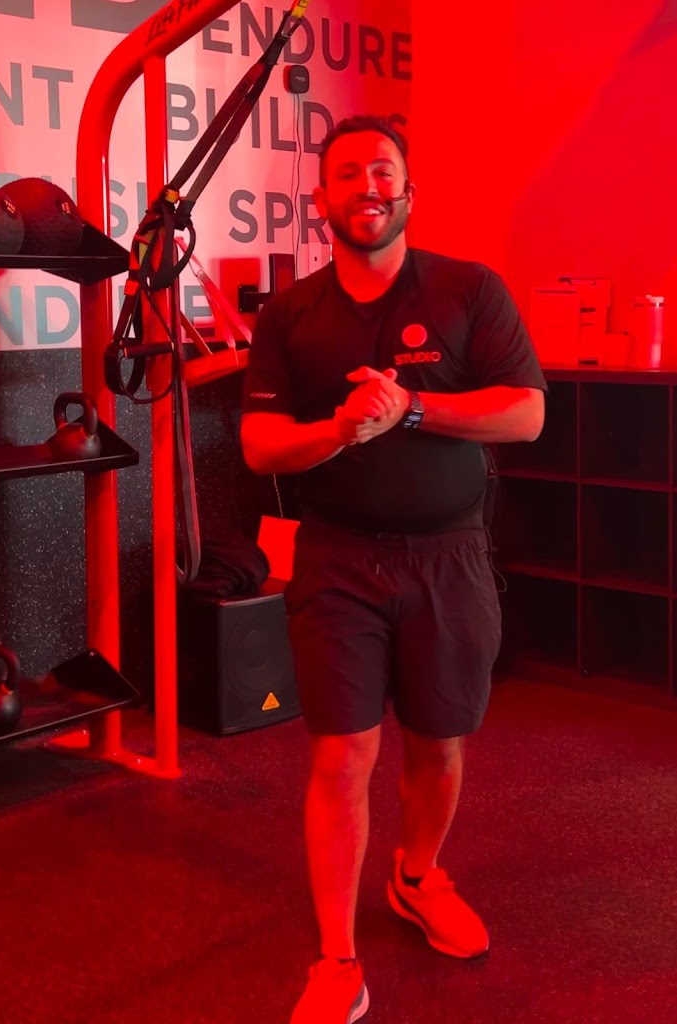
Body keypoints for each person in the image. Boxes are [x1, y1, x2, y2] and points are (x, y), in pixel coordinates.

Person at [240, 114, 547, 1024]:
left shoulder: (468, 289)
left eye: (382, 169)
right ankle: (337, 957)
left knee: (437, 741)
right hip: (336, 558)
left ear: (409, 190)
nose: (366, 186)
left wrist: (409, 407)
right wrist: (340, 430)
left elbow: (525, 414)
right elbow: (260, 446)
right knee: (341, 754)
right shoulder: (290, 315)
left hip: (450, 555)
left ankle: (415, 878)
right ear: (320, 198)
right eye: (347, 173)